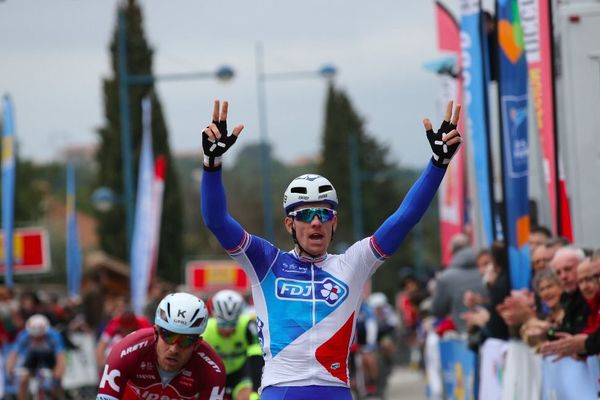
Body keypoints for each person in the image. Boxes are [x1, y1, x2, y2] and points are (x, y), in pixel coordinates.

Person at [200, 99, 462, 399]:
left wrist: (438, 164)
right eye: (306, 215)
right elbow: (216, 220)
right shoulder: (265, 262)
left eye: (324, 214)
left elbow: (404, 219)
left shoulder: (353, 264)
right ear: (289, 224)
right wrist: (212, 165)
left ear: (334, 222)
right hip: (281, 390)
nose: (316, 223)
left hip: (334, 390)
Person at [96, 292, 226, 400]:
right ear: (156, 332)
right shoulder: (125, 351)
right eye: (168, 336)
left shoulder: (212, 369)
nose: (174, 349)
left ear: (197, 344)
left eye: (186, 340)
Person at [203, 289, 263, 400]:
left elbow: (257, 359)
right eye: (224, 323)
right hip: (214, 375)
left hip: (239, 374)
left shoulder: (247, 325)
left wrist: (255, 390)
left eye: (233, 324)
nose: (228, 329)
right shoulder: (206, 329)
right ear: (215, 317)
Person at [6, 314, 66, 400]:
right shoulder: (24, 335)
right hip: (33, 356)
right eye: (34, 336)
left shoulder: (54, 336)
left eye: (40, 336)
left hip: (50, 357)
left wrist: (58, 372)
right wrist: (10, 369)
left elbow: (60, 358)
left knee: (56, 381)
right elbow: (13, 354)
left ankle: (57, 395)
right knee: (23, 380)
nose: (37, 338)